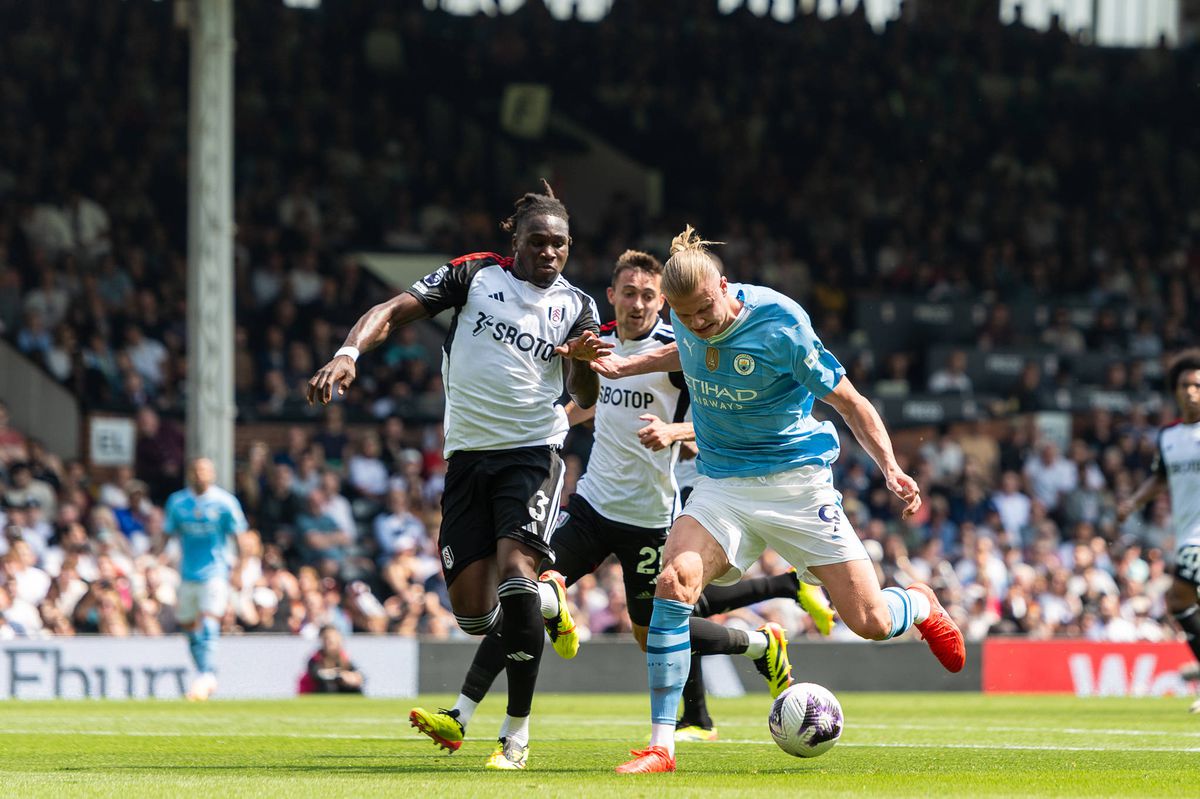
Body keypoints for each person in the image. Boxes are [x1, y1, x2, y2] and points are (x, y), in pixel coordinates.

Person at [408, 250, 836, 761]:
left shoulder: (682, 351)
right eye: (628, 293)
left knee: (649, 633)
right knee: (522, 588)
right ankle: (463, 712)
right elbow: (591, 401)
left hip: (651, 518)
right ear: (611, 295)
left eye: (649, 296)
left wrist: (674, 430)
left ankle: (761, 646)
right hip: (591, 505)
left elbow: (725, 412)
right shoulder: (600, 343)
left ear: (664, 303)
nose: (638, 304)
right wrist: (553, 423)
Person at [593, 227, 965, 774]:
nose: (697, 324)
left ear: (724, 285)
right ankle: (661, 747)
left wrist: (890, 466)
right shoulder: (687, 318)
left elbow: (849, 400)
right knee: (673, 583)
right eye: (685, 315)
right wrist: (624, 365)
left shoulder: (781, 324)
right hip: (721, 484)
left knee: (869, 621)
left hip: (796, 482)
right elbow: (688, 348)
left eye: (703, 311)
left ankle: (920, 603)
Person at [308, 182, 610, 770]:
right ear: (515, 238)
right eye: (539, 241)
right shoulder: (474, 275)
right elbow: (392, 311)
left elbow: (587, 393)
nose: (550, 253)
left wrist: (584, 362)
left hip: (532, 452)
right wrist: (349, 352)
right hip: (467, 457)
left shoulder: (579, 306)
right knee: (474, 615)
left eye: (561, 245)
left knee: (518, 576)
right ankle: (546, 610)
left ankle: (515, 736)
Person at [1117, 349, 1200, 712]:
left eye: (1198, 385)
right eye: (1185, 385)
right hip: (1185, 534)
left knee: (1180, 596)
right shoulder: (1169, 436)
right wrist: (1133, 502)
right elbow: (1160, 477)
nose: (1192, 391)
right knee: (1179, 602)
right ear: (1175, 391)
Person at [158, 457, 247, 701]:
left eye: (205, 471)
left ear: (213, 474)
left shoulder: (224, 502)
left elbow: (241, 538)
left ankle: (206, 674)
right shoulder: (177, 502)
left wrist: (239, 570)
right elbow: (166, 534)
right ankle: (205, 672)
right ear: (189, 474)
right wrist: (157, 559)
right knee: (187, 624)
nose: (200, 475)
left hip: (215, 572)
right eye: (196, 471)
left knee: (208, 621)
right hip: (187, 573)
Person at [297, 624, 364, 694]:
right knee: (328, 686)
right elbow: (317, 675)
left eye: (334, 637)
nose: (331, 641)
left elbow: (356, 672)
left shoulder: (343, 658)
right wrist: (340, 675)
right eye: (327, 638)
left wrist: (354, 677)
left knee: (354, 687)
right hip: (312, 691)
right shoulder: (316, 658)